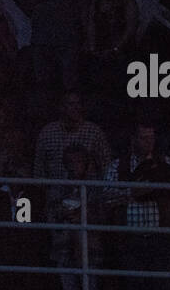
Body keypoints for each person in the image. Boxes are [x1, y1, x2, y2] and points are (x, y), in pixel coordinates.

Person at [103, 121, 170, 290]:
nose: (148, 142)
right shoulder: (118, 166)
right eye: (143, 137)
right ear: (133, 139)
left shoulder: (166, 163)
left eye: (151, 137)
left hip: (161, 237)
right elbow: (105, 197)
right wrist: (132, 193)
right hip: (130, 239)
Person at [34, 92, 112, 224]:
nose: (75, 108)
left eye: (78, 104)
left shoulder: (94, 132)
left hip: (88, 198)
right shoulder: (47, 132)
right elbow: (39, 169)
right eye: (71, 104)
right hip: (56, 197)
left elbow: (106, 167)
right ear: (61, 107)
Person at [51, 143, 104, 290]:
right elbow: (50, 213)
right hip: (64, 248)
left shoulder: (95, 187)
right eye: (71, 162)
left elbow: (101, 214)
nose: (75, 165)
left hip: (89, 248)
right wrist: (65, 213)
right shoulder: (59, 187)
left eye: (80, 161)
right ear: (65, 164)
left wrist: (82, 213)